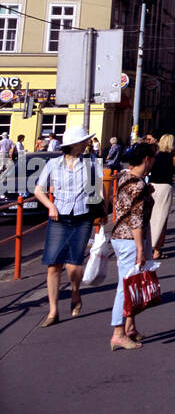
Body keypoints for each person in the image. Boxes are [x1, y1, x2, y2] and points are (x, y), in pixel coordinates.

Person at [32, 124, 101, 326]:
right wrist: (50, 206)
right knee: (53, 264)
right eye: (84, 141)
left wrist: (102, 212)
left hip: (82, 217)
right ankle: (53, 312)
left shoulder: (92, 162)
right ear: (74, 145)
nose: (87, 143)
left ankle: (75, 292)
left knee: (74, 264)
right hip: (58, 218)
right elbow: (38, 190)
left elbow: (97, 190)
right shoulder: (53, 164)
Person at [108, 142, 156, 351]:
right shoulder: (137, 185)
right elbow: (136, 219)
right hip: (130, 240)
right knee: (125, 287)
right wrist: (140, 248)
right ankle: (118, 332)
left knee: (132, 283)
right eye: (152, 158)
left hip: (120, 236)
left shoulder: (126, 178)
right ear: (146, 159)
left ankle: (130, 326)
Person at [148, 134, 175, 258]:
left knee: (150, 217)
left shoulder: (155, 156)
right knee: (162, 218)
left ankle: (148, 245)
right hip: (165, 187)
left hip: (152, 186)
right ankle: (157, 250)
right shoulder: (172, 157)